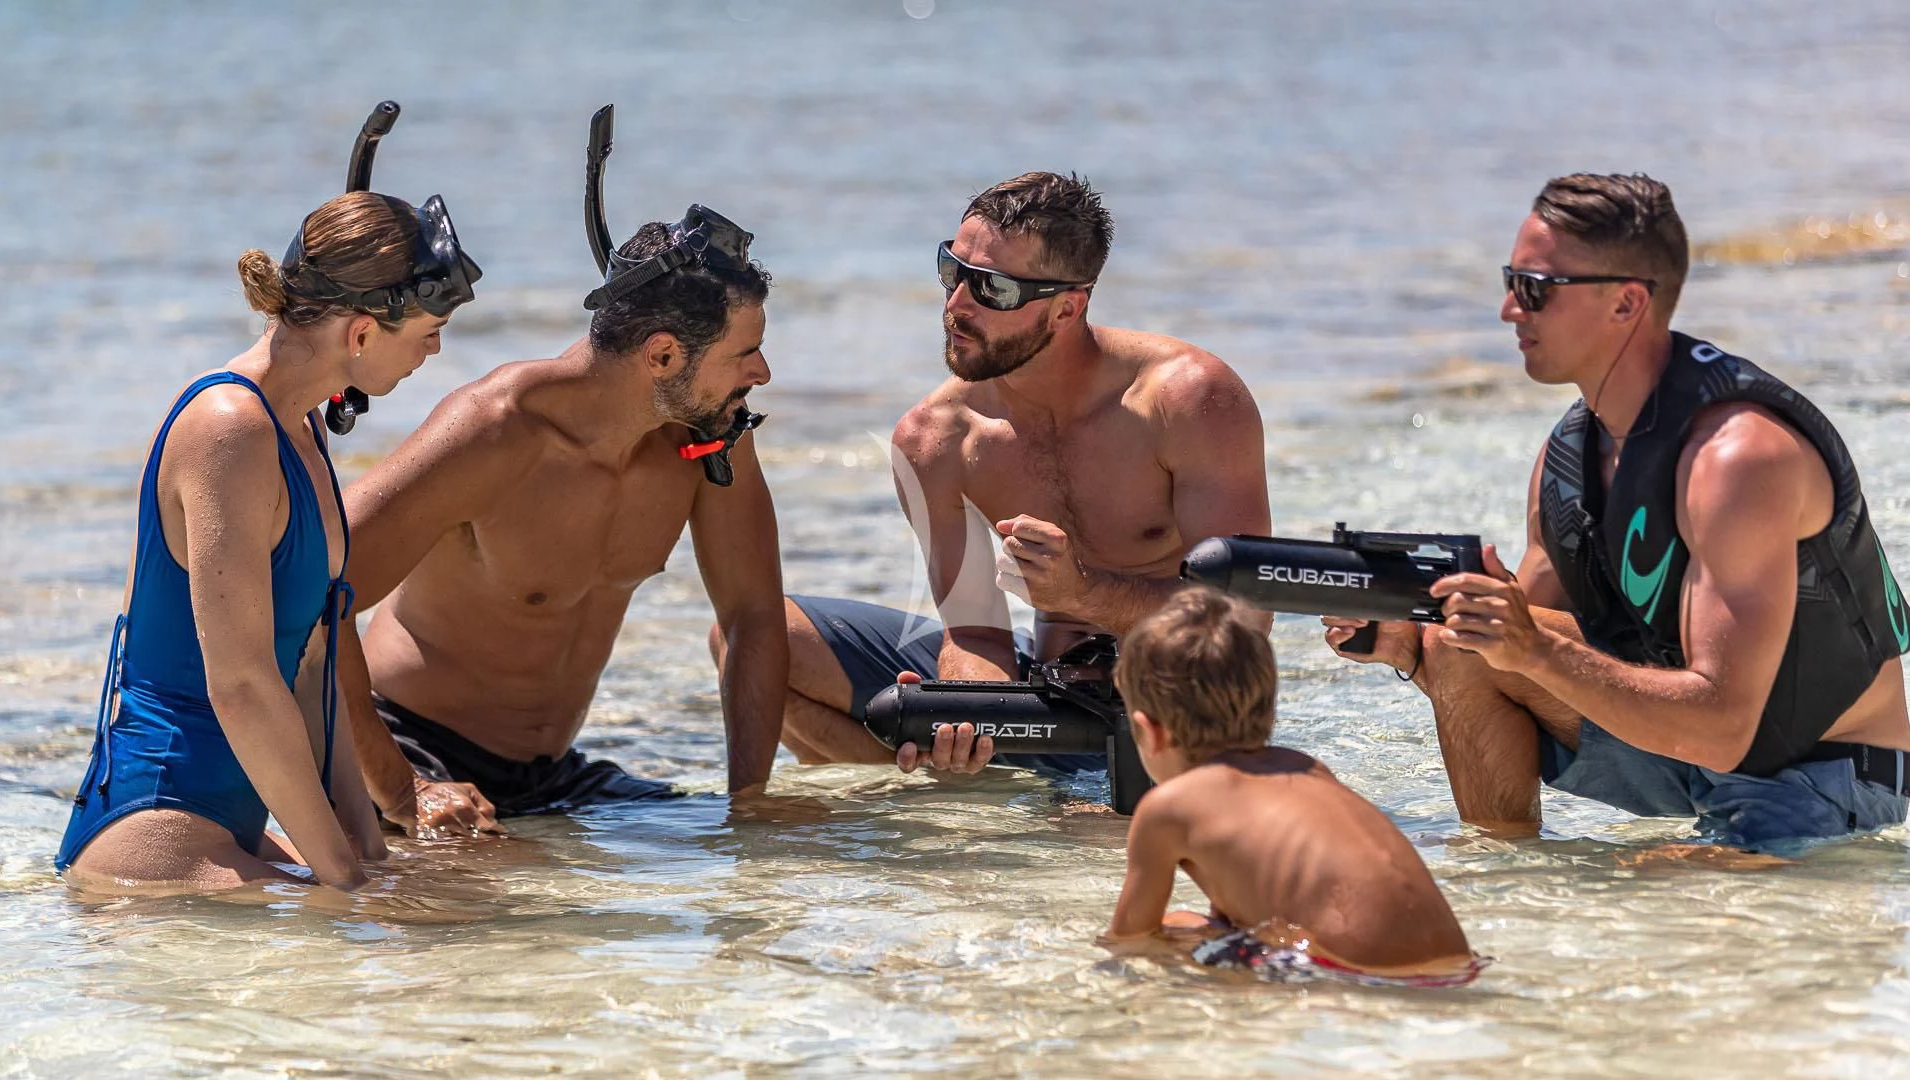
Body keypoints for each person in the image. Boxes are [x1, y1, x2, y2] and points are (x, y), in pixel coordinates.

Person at [1326, 173, 1910, 847]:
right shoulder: (1568, 458)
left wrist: (1533, 646)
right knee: (1459, 643)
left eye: (1534, 289)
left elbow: (1724, 727)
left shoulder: (1737, 460)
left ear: (1627, 304)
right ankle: (1503, 875)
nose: (1509, 311)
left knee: (1655, 898)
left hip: (1821, 778)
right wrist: (1410, 646)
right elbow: (1517, 654)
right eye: (1510, 281)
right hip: (1688, 750)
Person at [760, 172, 1271, 777]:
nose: (956, 306)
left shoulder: (1184, 400)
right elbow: (976, 630)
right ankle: (974, 788)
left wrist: (1082, 592)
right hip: (1043, 698)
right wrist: (968, 709)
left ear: (1065, 309)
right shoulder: (936, 439)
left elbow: (1245, 614)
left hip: (1180, 696)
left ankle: (1032, 797)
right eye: (953, 271)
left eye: (993, 289)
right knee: (760, 642)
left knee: (1111, 835)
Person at [57, 182, 479, 892]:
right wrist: (343, 883)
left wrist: (367, 854)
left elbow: (316, 667)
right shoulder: (229, 428)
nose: (436, 349)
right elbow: (244, 685)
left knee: (445, 906)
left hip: (237, 825)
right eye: (428, 331)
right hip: (157, 834)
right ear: (362, 333)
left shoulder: (302, 427)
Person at [335, 204, 786, 835]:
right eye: (746, 353)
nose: (762, 374)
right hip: (408, 747)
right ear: (661, 356)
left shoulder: (704, 438)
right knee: (506, 898)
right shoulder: (493, 433)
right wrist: (404, 790)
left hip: (552, 776)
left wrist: (749, 809)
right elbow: (307, 596)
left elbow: (753, 615)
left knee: (795, 844)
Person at [1102, 588, 1480, 985]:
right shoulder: (1305, 767)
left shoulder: (1168, 808)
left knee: (1177, 923)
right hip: (1456, 966)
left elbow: (1131, 937)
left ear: (1148, 732)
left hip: (1357, 977)